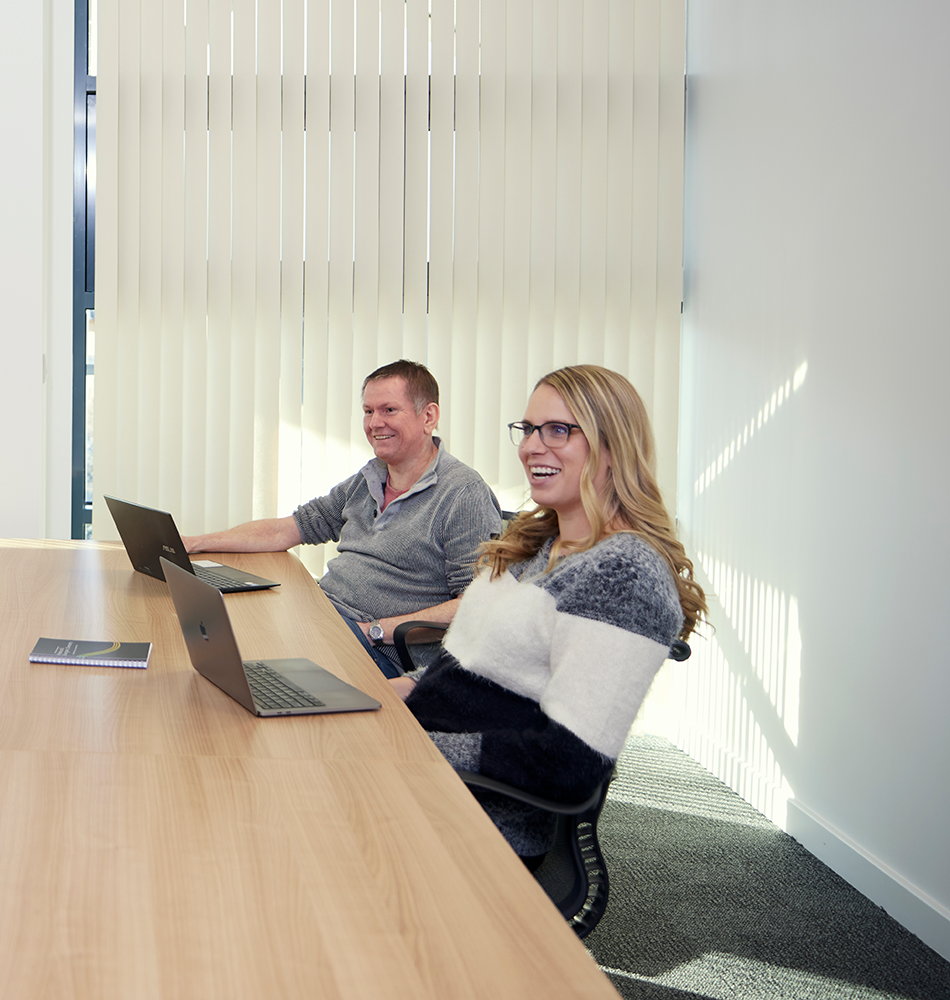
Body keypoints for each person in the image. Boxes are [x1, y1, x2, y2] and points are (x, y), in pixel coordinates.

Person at [397, 365, 706, 859]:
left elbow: (568, 763)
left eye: (558, 430)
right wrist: (384, 698)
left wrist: (410, 749)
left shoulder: (623, 574)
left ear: (612, 447)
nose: (531, 447)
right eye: (529, 429)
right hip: (423, 779)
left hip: (475, 821)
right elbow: (471, 671)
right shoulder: (537, 542)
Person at [186, 360, 503, 677]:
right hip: (325, 618)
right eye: (368, 411)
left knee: (244, 659)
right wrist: (195, 543)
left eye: (389, 410)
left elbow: (475, 605)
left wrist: (373, 630)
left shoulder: (464, 494)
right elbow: (291, 527)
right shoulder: (369, 478)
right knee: (224, 628)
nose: (374, 423)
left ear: (428, 416)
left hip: (375, 651)